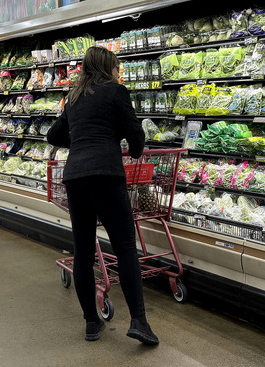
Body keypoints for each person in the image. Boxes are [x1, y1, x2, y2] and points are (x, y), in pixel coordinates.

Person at [47, 46, 158, 345]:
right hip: (106, 175)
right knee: (124, 247)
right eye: (117, 67)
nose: (118, 72)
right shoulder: (115, 91)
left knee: (83, 252)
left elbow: (53, 136)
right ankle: (139, 321)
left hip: (75, 178)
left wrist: (82, 141)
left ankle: (91, 323)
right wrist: (130, 147)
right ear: (108, 68)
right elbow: (135, 134)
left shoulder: (74, 96)